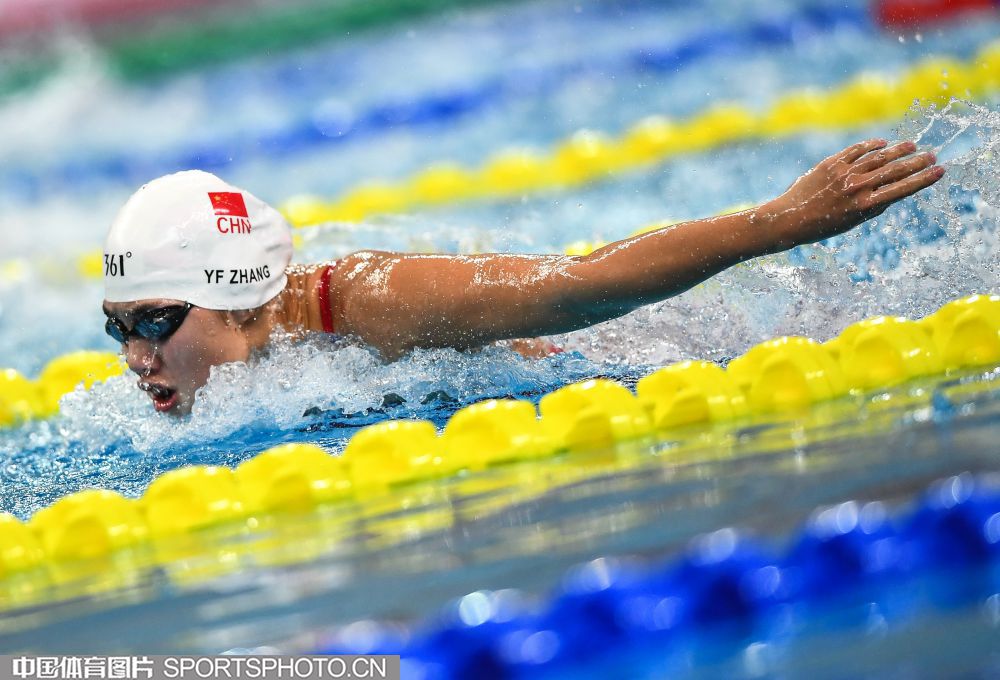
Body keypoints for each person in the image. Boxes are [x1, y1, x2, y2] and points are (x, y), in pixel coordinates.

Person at [102, 138, 944, 415]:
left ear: (238, 296)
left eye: (155, 321)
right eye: (120, 327)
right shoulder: (246, 359)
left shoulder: (371, 301)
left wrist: (782, 222)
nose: (137, 357)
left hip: (650, 354)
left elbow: (579, 285)